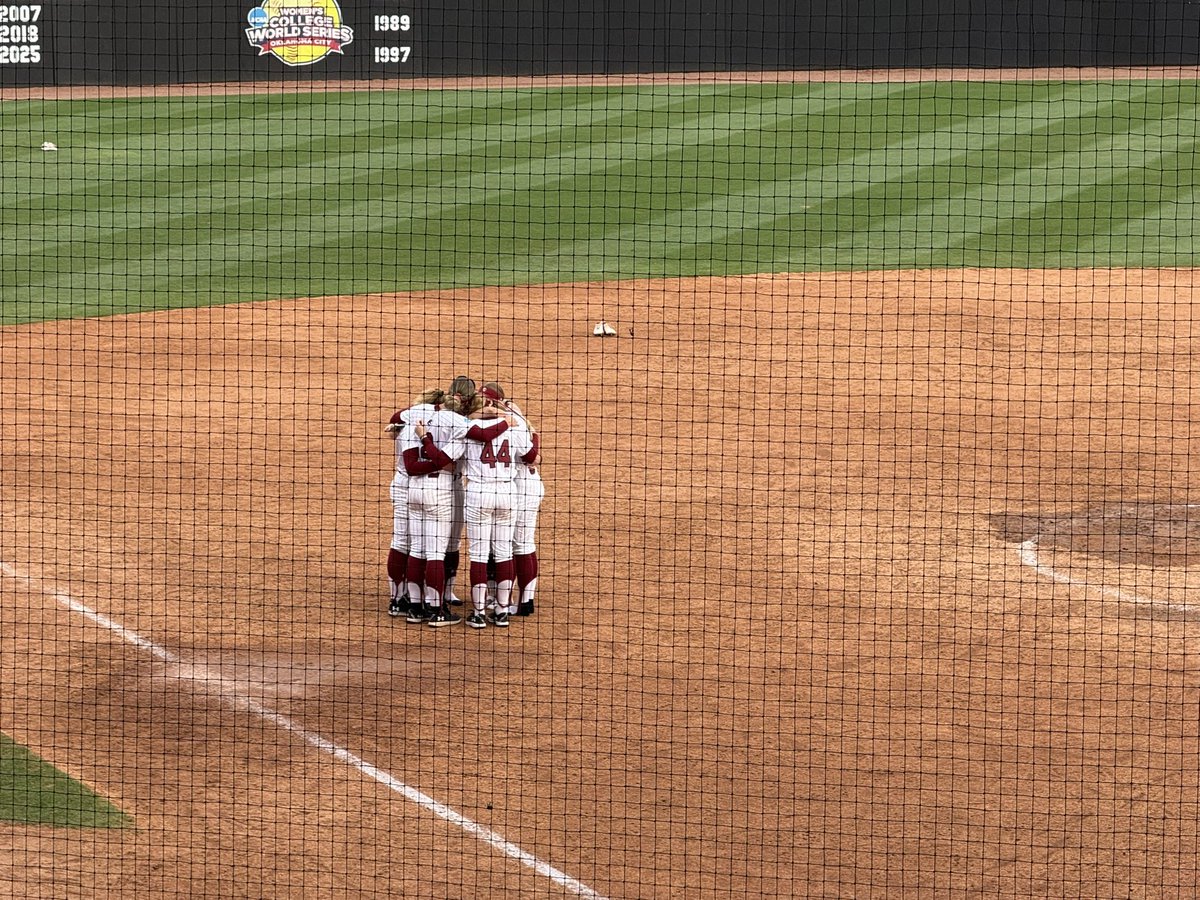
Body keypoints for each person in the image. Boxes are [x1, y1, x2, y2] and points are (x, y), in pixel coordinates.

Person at [404, 387, 511, 626]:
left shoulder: (415, 417)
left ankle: (413, 607)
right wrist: (506, 420)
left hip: (414, 490)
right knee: (438, 553)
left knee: (416, 549)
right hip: (446, 492)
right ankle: (440, 611)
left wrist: (423, 436)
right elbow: (530, 454)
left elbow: (407, 451)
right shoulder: (462, 427)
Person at [460, 382, 533, 629]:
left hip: (479, 492)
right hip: (506, 493)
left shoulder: (468, 426)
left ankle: (479, 612)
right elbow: (531, 456)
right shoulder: (513, 426)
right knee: (503, 552)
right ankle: (502, 611)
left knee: (479, 554)